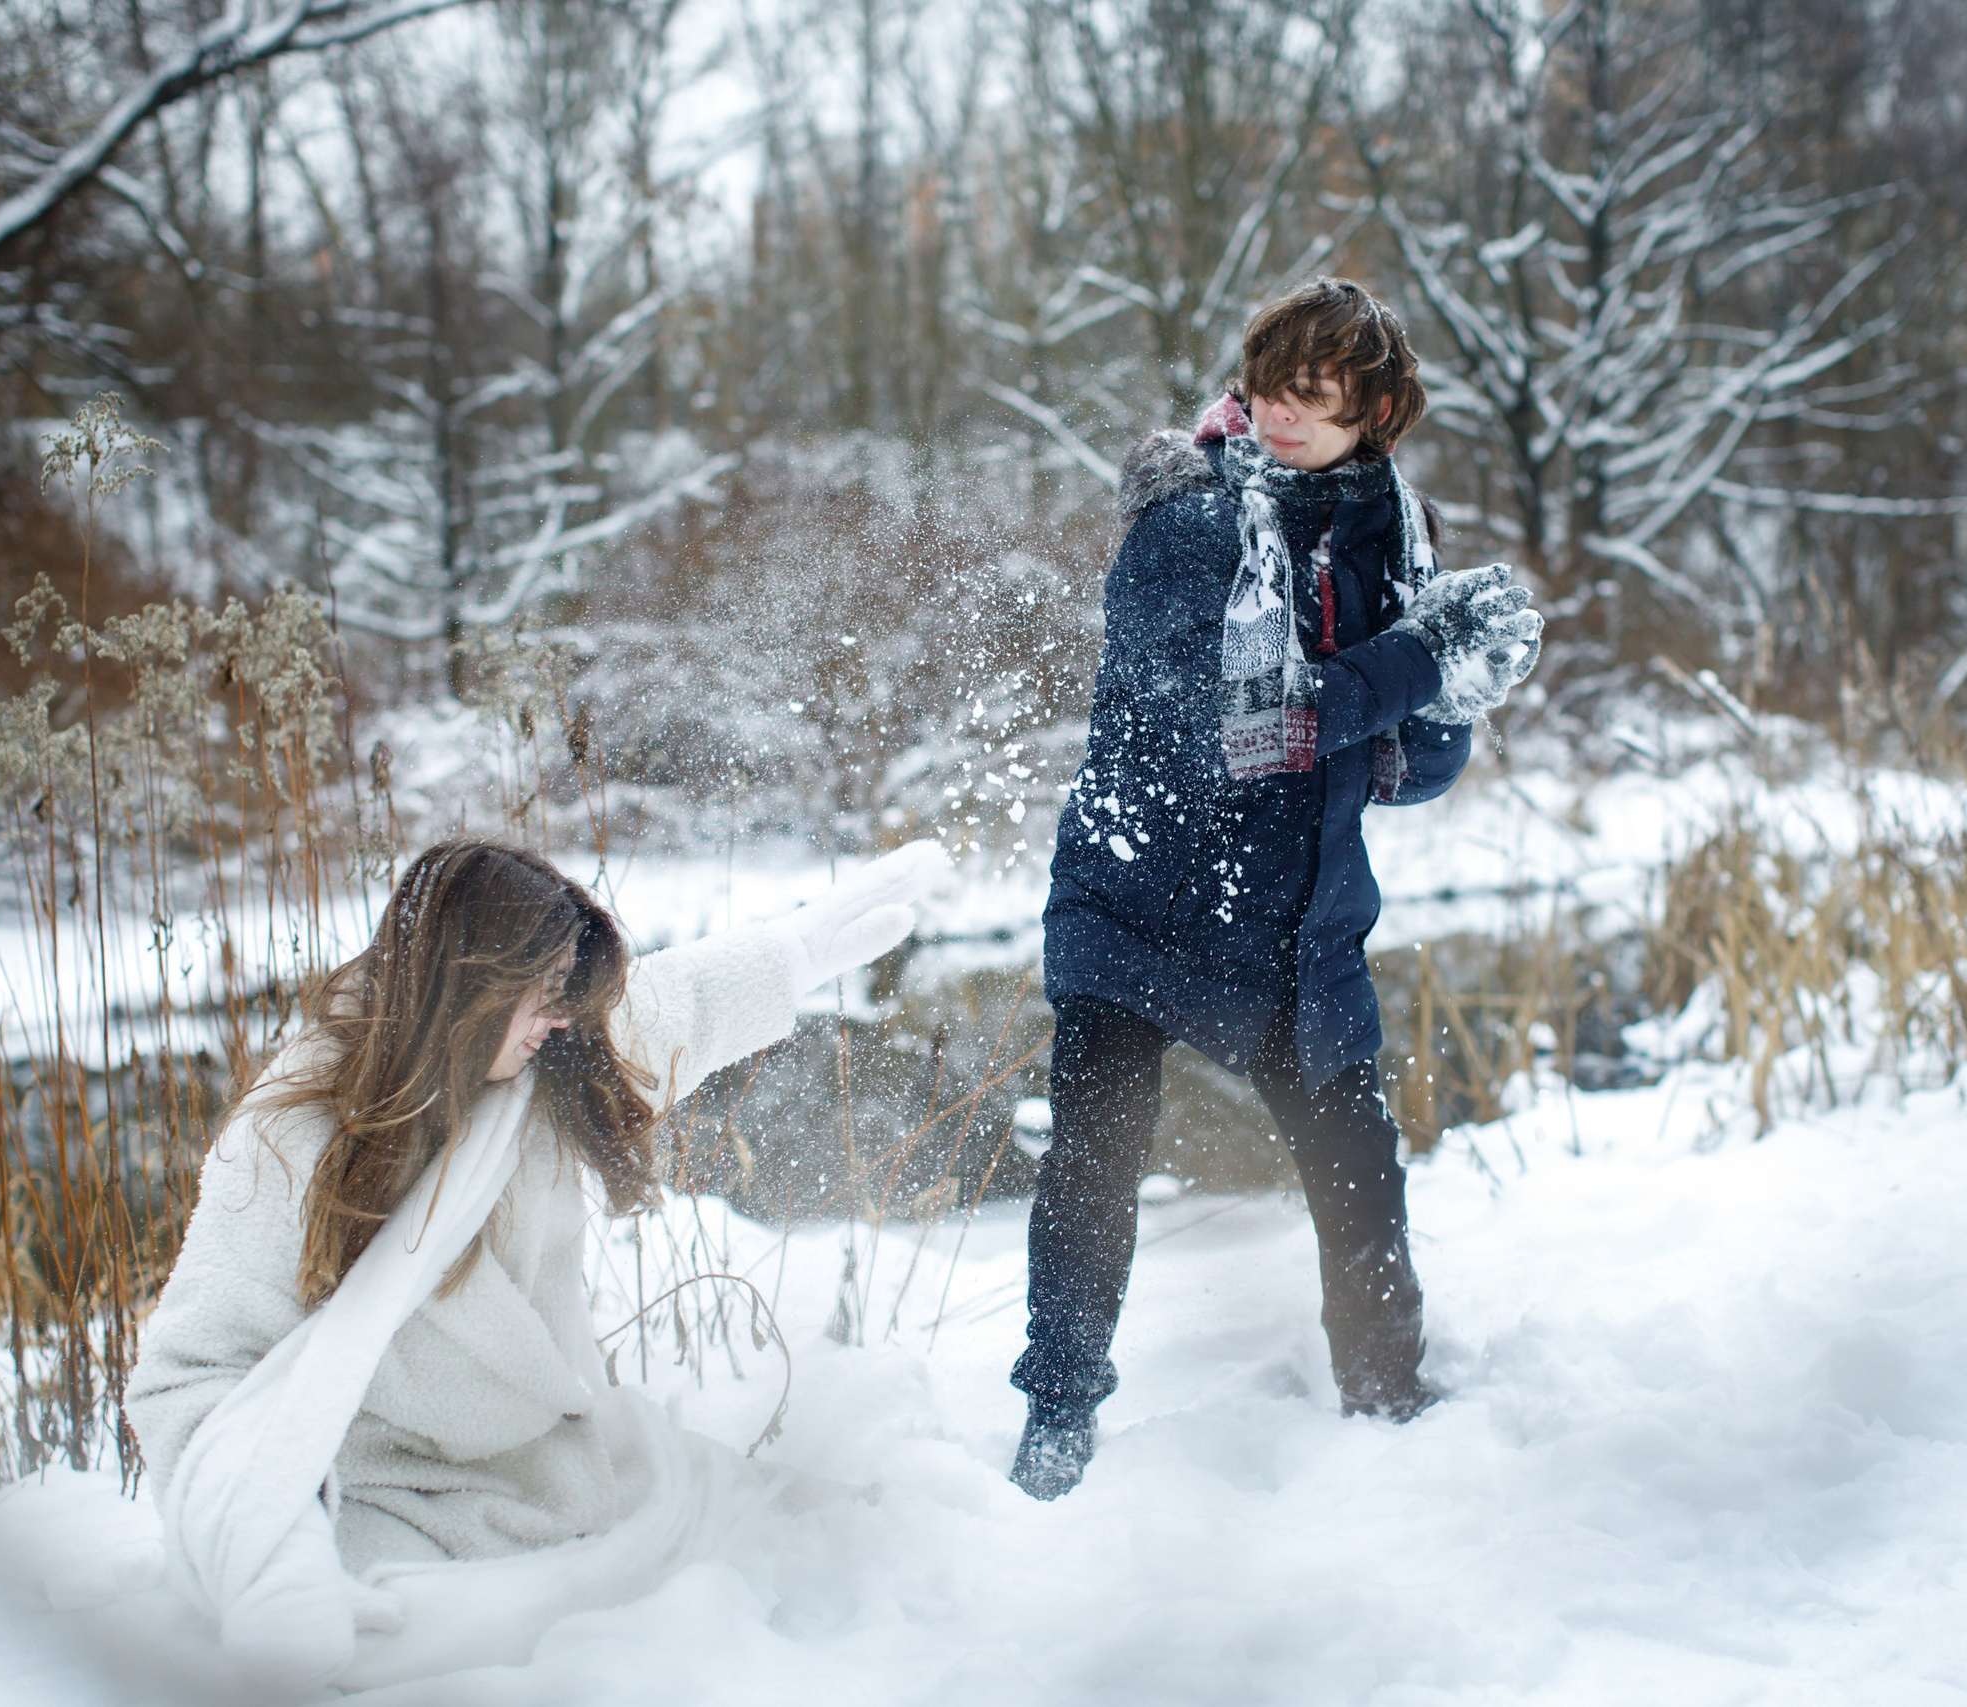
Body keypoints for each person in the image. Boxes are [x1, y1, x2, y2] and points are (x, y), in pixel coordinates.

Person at [125, 836, 949, 1689]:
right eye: (545, 991)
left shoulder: (539, 1067)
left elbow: (678, 1004)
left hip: (560, 1469)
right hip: (386, 1498)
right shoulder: (292, 1135)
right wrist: (281, 1556)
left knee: (806, 1535)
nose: (561, 1018)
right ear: (467, 983)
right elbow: (191, 1378)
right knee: (414, 1646)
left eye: (568, 992)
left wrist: (803, 946)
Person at [1013, 278, 1544, 1499]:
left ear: (1377, 411)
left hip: (1289, 912)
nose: (1283, 418)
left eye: (1319, 397)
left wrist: (1457, 689)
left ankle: (1388, 1403)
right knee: (1095, 1157)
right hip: (1137, 889)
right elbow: (1250, 729)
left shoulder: (1384, 534)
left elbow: (1393, 769)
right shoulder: (1185, 521)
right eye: (1269, 389)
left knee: (1356, 1169)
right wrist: (1418, 659)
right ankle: (1054, 1419)